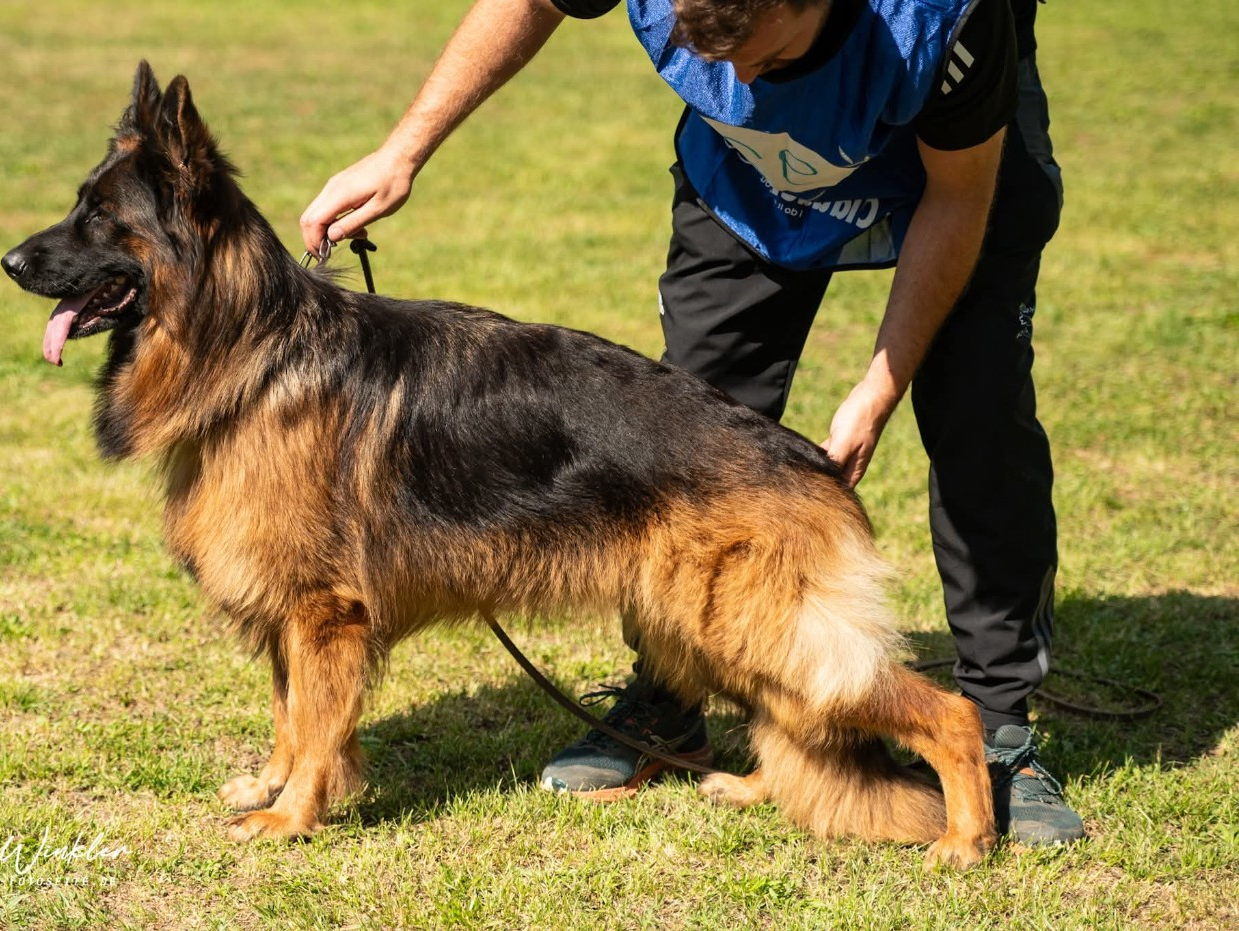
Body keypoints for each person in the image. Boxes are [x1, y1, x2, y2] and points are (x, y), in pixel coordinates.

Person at [301, 0, 1083, 846]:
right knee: (676, 450)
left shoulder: (943, 20)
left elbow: (959, 197)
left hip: (956, 168)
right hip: (748, 181)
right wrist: (402, 149)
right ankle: (671, 700)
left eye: (763, 60)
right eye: (710, 58)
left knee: (979, 424)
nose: (739, 81)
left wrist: (878, 385)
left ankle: (998, 727)